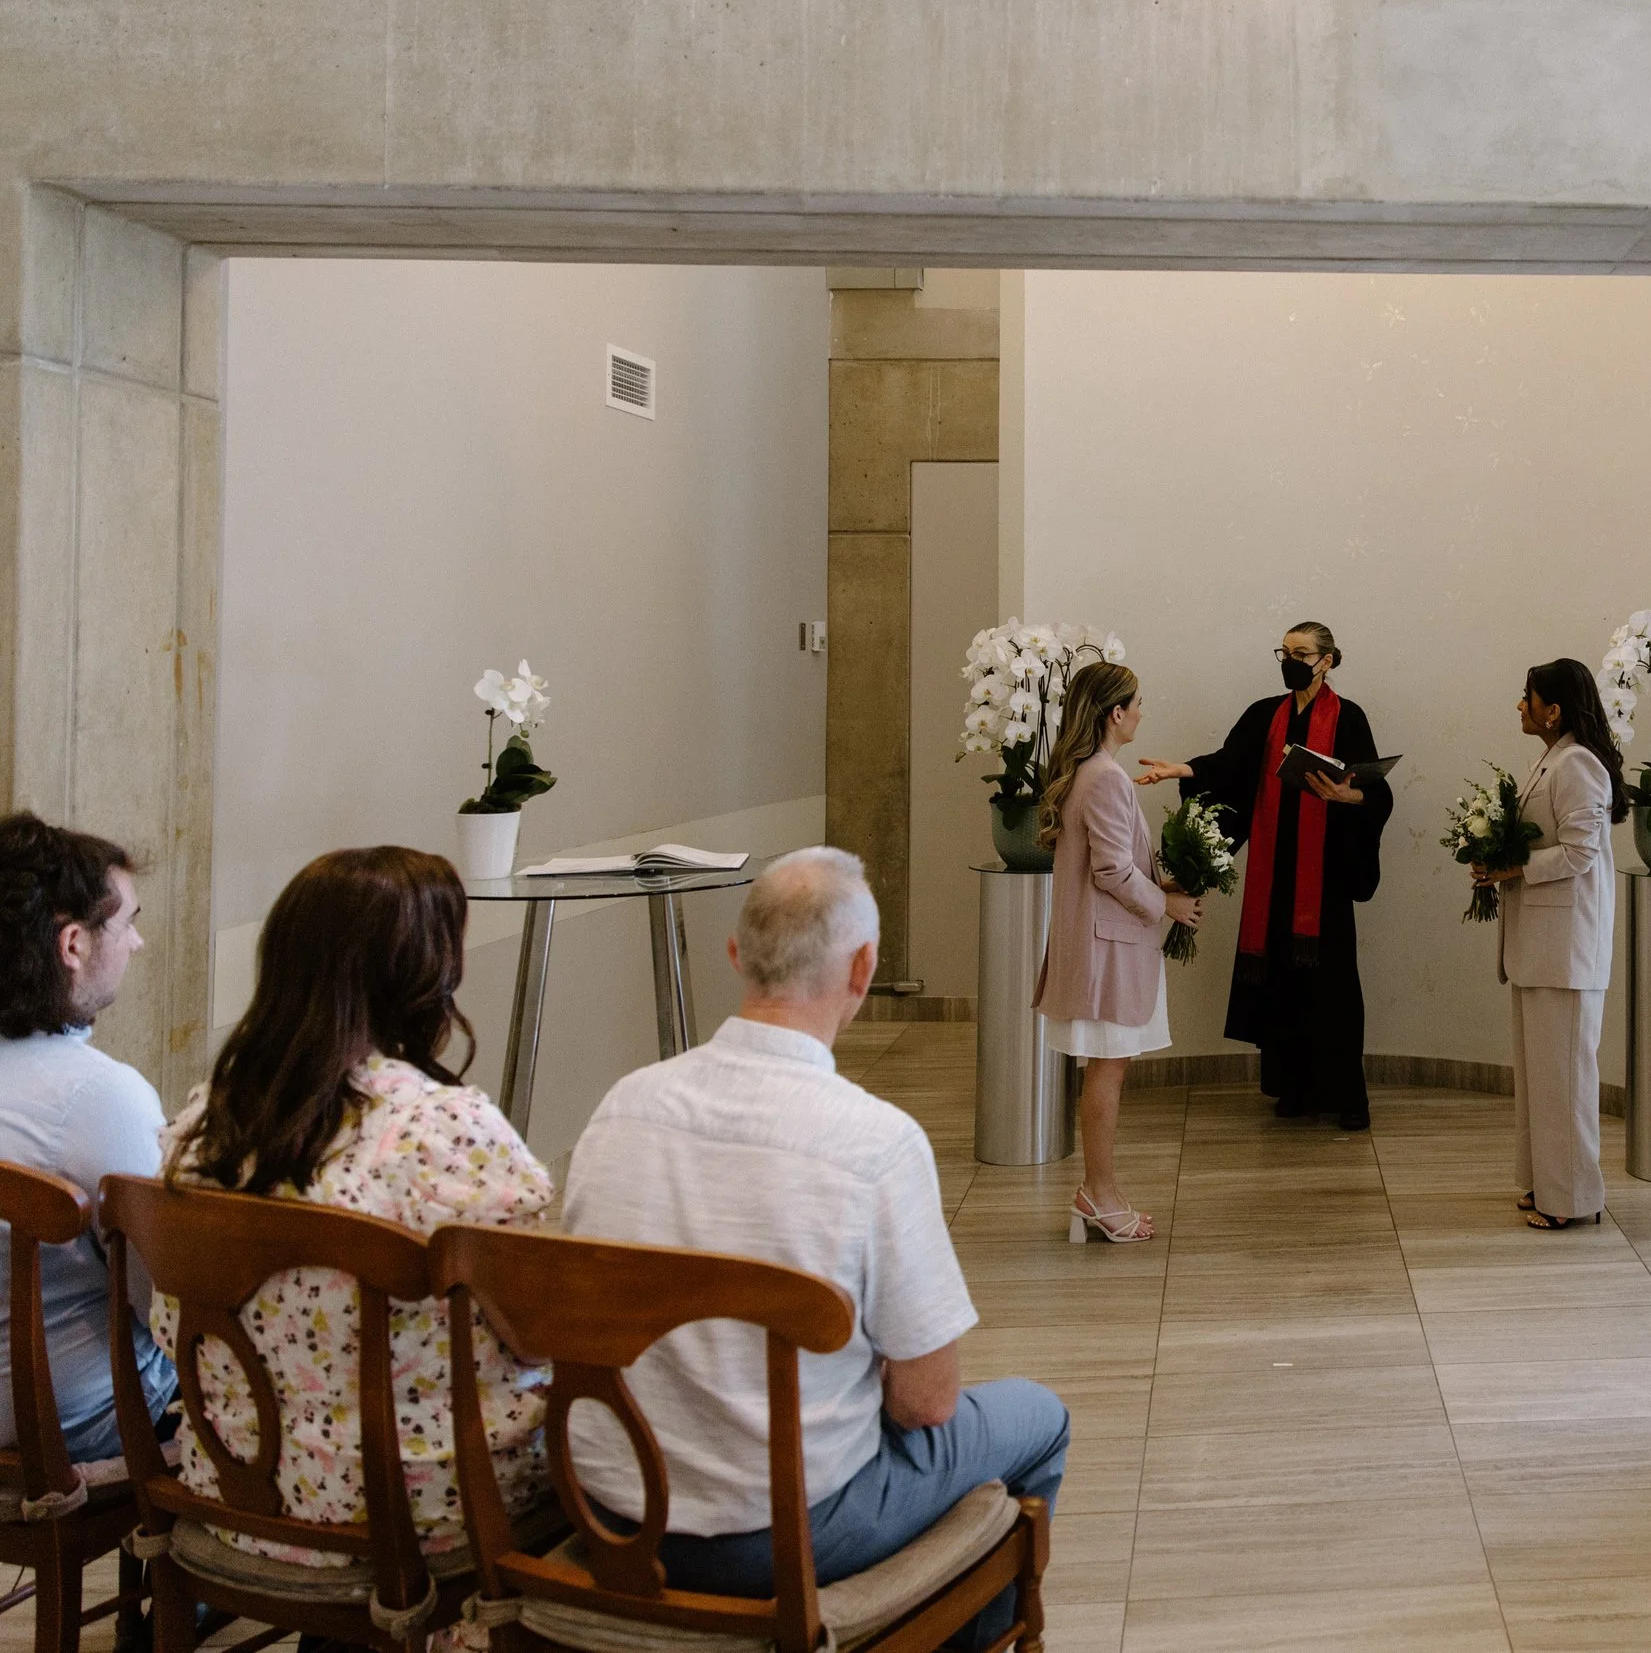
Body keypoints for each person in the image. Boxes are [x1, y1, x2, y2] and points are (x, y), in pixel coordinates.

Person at [564, 848, 1067, 1649]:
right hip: (785, 1534)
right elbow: (927, 1403)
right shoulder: (876, 1142)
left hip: (611, 1512)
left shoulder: (623, 1107)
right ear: (863, 968)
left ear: (737, 955)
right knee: (1039, 1416)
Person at [156, 847, 549, 1648]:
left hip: (234, 1490)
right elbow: (542, 1326)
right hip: (417, 1511)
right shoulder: (443, 1129)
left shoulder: (203, 1120)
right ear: (424, 973)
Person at [1137, 621, 1394, 1130]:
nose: (1290, 661)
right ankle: (1293, 1090)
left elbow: (1376, 791)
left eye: (1302, 653)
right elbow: (1230, 766)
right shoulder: (1264, 714)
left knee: (1334, 989)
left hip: (1326, 881)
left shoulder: (1349, 718)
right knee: (1282, 982)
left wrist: (1348, 797)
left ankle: (1347, 1097)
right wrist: (1182, 770)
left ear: (1328, 660)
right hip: (1275, 877)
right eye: (1285, 651)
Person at [0, 812, 178, 1461]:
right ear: (73, 944)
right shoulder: (100, 1094)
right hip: (52, 1426)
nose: (137, 943)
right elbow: (163, 1300)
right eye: (127, 922)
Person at [1035, 663, 1199, 1243]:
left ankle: (1099, 1192)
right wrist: (1168, 905)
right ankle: (1097, 1196)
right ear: (1115, 713)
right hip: (1109, 949)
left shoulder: (1092, 772)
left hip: (1105, 943)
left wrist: (1167, 881)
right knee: (1108, 1071)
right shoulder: (1105, 777)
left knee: (1109, 1069)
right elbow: (1110, 871)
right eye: (1137, 703)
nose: (1142, 712)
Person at [1471, 661, 1626, 1230]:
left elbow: (1582, 853)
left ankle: (1572, 1200)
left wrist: (1512, 866)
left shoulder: (1579, 763)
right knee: (1542, 1076)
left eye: (1527, 697)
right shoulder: (1554, 758)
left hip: (1565, 946)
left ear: (1553, 709)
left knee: (1565, 1080)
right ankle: (1545, 1184)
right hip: (1540, 944)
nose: (1520, 706)